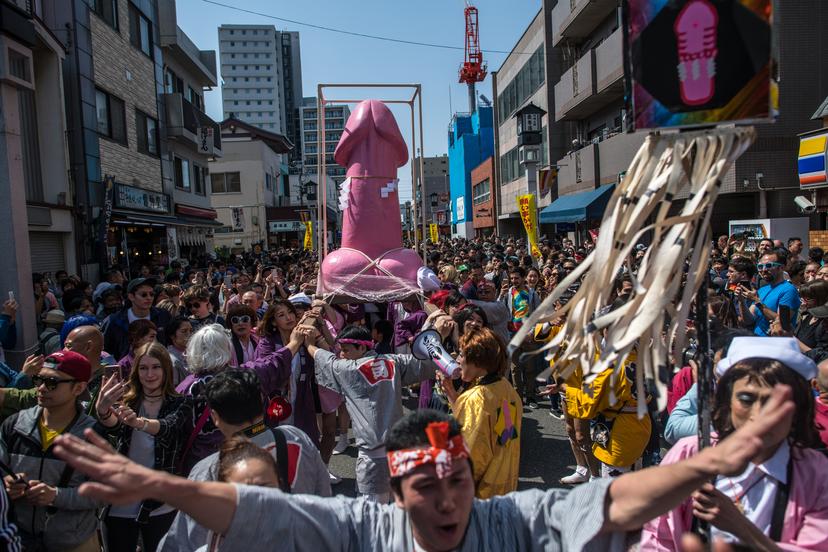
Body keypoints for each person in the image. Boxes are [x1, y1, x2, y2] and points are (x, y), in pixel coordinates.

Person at [54, 388, 804, 551]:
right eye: (427, 487)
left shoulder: (511, 522)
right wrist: (162, 486)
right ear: (394, 492)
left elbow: (614, 501)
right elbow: (267, 513)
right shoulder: (362, 530)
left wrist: (714, 460)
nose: (448, 501)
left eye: (458, 482)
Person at [642, 337, 828, 550]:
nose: (758, 415)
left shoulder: (816, 474)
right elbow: (656, 537)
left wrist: (741, 528)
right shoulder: (689, 453)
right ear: (728, 401)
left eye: (774, 402)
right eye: (746, 399)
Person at [159, 370, 330, 552]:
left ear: (215, 417)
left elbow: (185, 541)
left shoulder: (211, 469)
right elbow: (324, 497)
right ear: (261, 401)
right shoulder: (297, 438)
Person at [304, 324, 438, 502]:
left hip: (373, 458)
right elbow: (424, 363)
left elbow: (326, 360)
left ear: (362, 347)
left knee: (371, 511)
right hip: (399, 450)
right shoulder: (393, 362)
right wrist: (439, 336)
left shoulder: (349, 369)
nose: (342, 354)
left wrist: (309, 344)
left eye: (346, 350)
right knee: (398, 506)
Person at [0, 350, 103, 551]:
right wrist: (6, 486)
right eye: (38, 380)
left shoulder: (93, 436)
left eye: (52, 383)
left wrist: (56, 496)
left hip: (74, 544)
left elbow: (104, 493)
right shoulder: (14, 426)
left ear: (79, 387)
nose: (41, 388)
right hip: (20, 542)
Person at [94, 343, 187, 552]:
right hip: (121, 500)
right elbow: (114, 426)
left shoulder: (180, 403)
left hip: (161, 502)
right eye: (143, 368)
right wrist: (103, 411)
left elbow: (168, 427)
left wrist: (139, 423)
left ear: (166, 369)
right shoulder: (127, 401)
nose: (150, 374)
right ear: (136, 371)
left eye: (156, 367)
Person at [175, 324, 302, 473]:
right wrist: (295, 342)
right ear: (227, 348)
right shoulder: (244, 377)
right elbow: (274, 364)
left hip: (201, 466)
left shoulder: (183, 389)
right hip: (246, 460)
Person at [439, 327, 522, 498]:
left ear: (476, 360)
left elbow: (470, 454)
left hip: (482, 492)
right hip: (505, 482)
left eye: (461, 355)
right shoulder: (506, 388)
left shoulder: (475, 399)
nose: (458, 360)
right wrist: (450, 392)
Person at [101, 278, 171, 360]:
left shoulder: (163, 315)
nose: (149, 298)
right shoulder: (114, 320)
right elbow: (105, 350)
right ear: (131, 297)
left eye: (152, 294)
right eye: (144, 295)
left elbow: (170, 342)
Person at [738, 252, 800, 336]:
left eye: (768, 265)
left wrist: (757, 301)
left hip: (774, 341)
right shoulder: (762, 290)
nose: (763, 270)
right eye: (760, 266)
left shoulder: (788, 290)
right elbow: (748, 320)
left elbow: (781, 322)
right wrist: (741, 300)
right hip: (757, 339)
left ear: (781, 267)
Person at [165, 318, 192, 385]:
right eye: (184, 331)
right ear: (172, 335)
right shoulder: (170, 360)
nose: (189, 334)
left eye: (191, 330)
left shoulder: (195, 353)